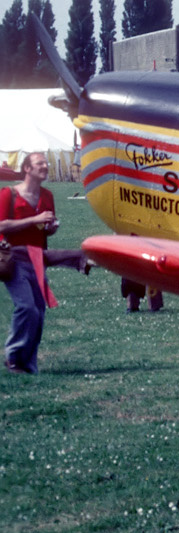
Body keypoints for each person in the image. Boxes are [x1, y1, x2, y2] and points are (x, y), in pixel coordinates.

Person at [1, 152, 86, 373]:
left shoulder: (47, 195)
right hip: (12, 258)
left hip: (37, 258)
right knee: (26, 307)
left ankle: (27, 363)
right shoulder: (8, 194)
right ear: (27, 169)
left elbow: (46, 227)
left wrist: (50, 227)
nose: (45, 166)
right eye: (40, 163)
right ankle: (13, 356)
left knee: (38, 311)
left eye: (46, 163)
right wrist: (34, 220)